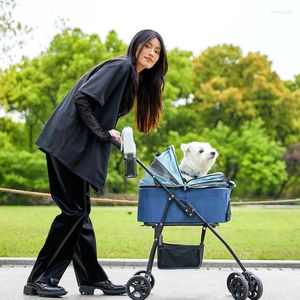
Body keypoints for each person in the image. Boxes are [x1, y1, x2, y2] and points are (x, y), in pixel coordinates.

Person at [23, 29, 168, 297]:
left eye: (157, 51)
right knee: (73, 212)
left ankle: (91, 278)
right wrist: (103, 132)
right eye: (147, 46)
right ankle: (40, 279)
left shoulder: (133, 78)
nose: (151, 53)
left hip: (75, 149)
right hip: (67, 145)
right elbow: (83, 99)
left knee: (80, 213)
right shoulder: (121, 66)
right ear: (135, 45)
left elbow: (98, 108)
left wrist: (109, 132)